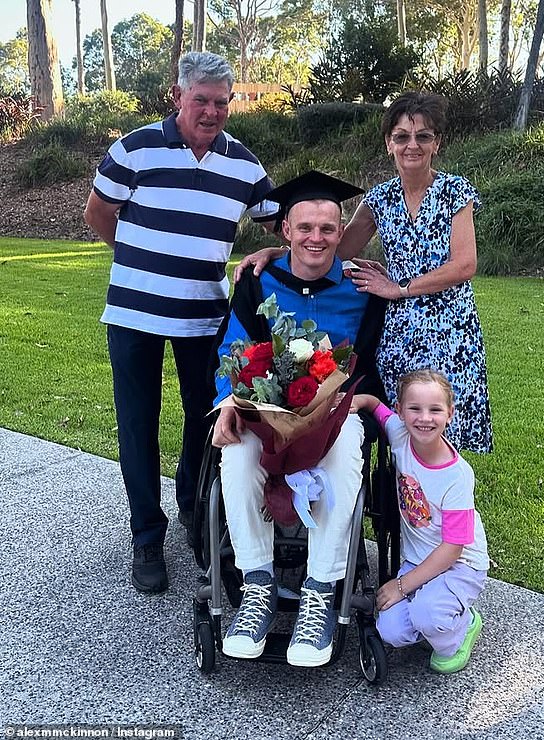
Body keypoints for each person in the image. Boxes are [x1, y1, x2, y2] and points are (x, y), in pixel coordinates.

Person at [83, 51, 278, 594]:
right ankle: (146, 534)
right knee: (138, 424)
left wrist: (269, 255)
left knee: (207, 417)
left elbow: (281, 222)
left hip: (203, 314)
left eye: (222, 102)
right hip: (133, 312)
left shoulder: (243, 164)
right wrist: (134, 260)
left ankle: (194, 504)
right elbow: (98, 212)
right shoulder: (135, 147)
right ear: (177, 97)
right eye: (201, 101)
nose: (212, 111)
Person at [236, 91, 492, 454]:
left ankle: (442, 503)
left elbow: (464, 265)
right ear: (389, 143)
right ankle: (400, 508)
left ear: (437, 143)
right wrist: (284, 247)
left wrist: (399, 287)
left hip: (448, 326)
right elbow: (332, 247)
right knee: (401, 425)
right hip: (399, 330)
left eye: (423, 136)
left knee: (437, 423)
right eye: (401, 136)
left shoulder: (453, 191)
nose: (412, 146)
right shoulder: (380, 198)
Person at [212, 171, 385, 668]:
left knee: (345, 454)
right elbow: (233, 349)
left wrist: (351, 400)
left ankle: (318, 591)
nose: (316, 238)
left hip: (336, 409)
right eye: (305, 226)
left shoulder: (361, 289)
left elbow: (371, 360)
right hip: (264, 409)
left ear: (340, 233)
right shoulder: (257, 281)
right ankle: (257, 586)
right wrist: (229, 401)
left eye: (328, 229)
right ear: (285, 229)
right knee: (238, 451)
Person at [351, 369, 489, 674]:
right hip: (418, 560)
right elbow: (377, 407)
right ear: (401, 411)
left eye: (435, 410)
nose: (424, 418)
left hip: (460, 564)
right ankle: (435, 616)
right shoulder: (400, 435)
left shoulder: (456, 476)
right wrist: (359, 400)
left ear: (450, 414)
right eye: (414, 408)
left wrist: (402, 586)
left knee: (428, 616)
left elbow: (453, 548)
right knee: (390, 630)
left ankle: (462, 626)